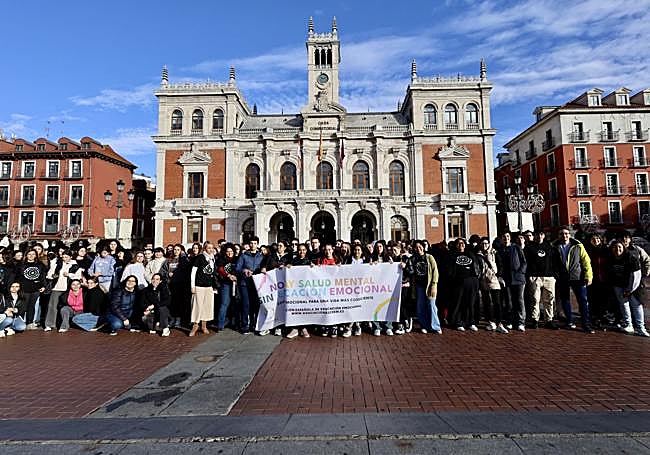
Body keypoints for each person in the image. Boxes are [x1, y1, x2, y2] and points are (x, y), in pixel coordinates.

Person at [553, 226, 594, 333]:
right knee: (565, 300)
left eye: (566, 233)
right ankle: (569, 321)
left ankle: (586, 324)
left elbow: (586, 261)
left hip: (577, 277)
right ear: (558, 235)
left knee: (582, 301)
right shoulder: (554, 246)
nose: (564, 236)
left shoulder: (578, 246)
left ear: (570, 234)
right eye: (561, 234)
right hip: (562, 278)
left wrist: (588, 276)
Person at [606, 240, 648, 337]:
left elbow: (636, 275)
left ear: (623, 248)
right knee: (623, 304)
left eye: (619, 247)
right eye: (615, 247)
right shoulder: (611, 258)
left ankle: (641, 328)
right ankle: (628, 324)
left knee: (636, 305)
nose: (617, 249)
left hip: (634, 285)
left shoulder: (631, 257)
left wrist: (630, 290)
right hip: (619, 285)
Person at [524, 231, 560, 330]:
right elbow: (525, 262)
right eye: (537, 235)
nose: (539, 236)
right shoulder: (529, 247)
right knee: (535, 299)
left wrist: (555, 275)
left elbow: (556, 261)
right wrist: (528, 275)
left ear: (544, 236)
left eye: (541, 234)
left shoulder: (550, 247)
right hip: (535, 277)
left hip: (549, 277)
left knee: (549, 300)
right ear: (534, 236)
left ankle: (549, 320)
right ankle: (534, 320)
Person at [406, 240, 441, 334]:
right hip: (418, 286)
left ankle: (435, 326)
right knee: (420, 306)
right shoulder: (412, 259)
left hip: (429, 285)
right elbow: (410, 271)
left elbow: (435, 271)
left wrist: (434, 283)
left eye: (420, 246)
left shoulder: (429, 257)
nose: (418, 248)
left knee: (432, 305)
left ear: (423, 247)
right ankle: (424, 325)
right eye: (416, 247)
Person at [44, 250, 82, 331]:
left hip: (67, 289)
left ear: (71, 257)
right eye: (63, 257)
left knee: (65, 308)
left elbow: (78, 277)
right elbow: (49, 275)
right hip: (57, 287)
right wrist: (53, 276)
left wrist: (69, 275)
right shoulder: (57, 264)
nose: (65, 259)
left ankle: (63, 325)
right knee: (52, 306)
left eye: (67, 257)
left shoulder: (75, 266)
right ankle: (49, 324)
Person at [448, 238, 480, 332]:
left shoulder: (470, 254)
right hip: (458, 282)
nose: (461, 245)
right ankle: (458, 322)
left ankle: (471, 322)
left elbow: (477, 267)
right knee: (459, 303)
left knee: (471, 303)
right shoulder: (452, 256)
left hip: (471, 281)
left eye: (462, 243)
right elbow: (449, 270)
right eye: (459, 243)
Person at [477, 237, 508, 333]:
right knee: (486, 302)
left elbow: (500, 265)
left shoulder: (494, 253)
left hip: (494, 280)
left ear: (489, 244)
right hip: (483, 280)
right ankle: (490, 322)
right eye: (482, 243)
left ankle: (499, 323)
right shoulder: (478, 254)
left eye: (486, 243)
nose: (484, 245)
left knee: (497, 302)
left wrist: (499, 276)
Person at [498, 232, 527, 332]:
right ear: (501, 239)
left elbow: (524, 262)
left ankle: (521, 322)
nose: (506, 238)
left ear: (510, 238)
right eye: (504, 236)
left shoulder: (516, 247)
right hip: (507, 279)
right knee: (509, 301)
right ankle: (510, 321)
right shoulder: (500, 250)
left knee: (519, 301)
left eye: (508, 236)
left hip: (518, 279)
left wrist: (520, 272)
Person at [260, 240, 291, 336]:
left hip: (283, 284)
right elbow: (264, 264)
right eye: (278, 245)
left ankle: (279, 327)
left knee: (281, 305)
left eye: (281, 246)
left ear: (285, 247)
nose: (279, 247)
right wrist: (264, 267)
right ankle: (267, 326)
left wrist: (287, 266)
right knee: (270, 305)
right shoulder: (271, 255)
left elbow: (291, 265)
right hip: (271, 284)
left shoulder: (288, 256)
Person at [235, 236, 264, 335]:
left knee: (256, 305)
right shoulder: (243, 256)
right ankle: (244, 326)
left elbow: (264, 267)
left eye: (255, 243)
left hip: (257, 284)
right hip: (245, 283)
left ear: (257, 244)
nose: (253, 245)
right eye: (251, 243)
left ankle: (254, 324)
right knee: (246, 305)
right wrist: (244, 270)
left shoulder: (261, 256)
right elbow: (237, 268)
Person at [190, 242, 218, 337]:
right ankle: (195, 325)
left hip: (209, 286)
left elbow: (213, 274)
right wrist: (192, 286)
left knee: (207, 306)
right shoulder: (200, 258)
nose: (211, 249)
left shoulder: (212, 259)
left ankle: (204, 325)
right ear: (205, 249)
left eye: (212, 248)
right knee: (197, 306)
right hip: (199, 286)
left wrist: (214, 286)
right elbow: (193, 272)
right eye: (209, 248)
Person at [285, 243, 313, 338]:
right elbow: (288, 269)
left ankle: (304, 328)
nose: (302, 252)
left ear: (306, 251)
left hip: (305, 289)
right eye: (300, 250)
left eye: (304, 250)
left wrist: (313, 267)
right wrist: (288, 266)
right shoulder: (293, 261)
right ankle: (295, 328)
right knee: (296, 308)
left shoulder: (309, 261)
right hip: (295, 289)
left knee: (304, 308)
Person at [16, 249, 48, 330]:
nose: (31, 256)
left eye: (33, 254)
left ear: (36, 255)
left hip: (35, 289)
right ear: (26, 255)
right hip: (24, 289)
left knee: (32, 306)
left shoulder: (40, 265)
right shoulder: (21, 264)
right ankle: (20, 323)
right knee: (23, 306)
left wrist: (44, 286)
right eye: (29, 254)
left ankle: (29, 323)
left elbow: (42, 277)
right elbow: (17, 277)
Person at [216, 243, 238, 332]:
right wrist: (228, 275)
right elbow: (220, 269)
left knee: (235, 304)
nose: (229, 253)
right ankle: (220, 324)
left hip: (236, 283)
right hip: (225, 283)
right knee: (224, 303)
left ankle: (233, 322)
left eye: (231, 251)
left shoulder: (237, 259)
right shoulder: (222, 259)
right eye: (227, 251)